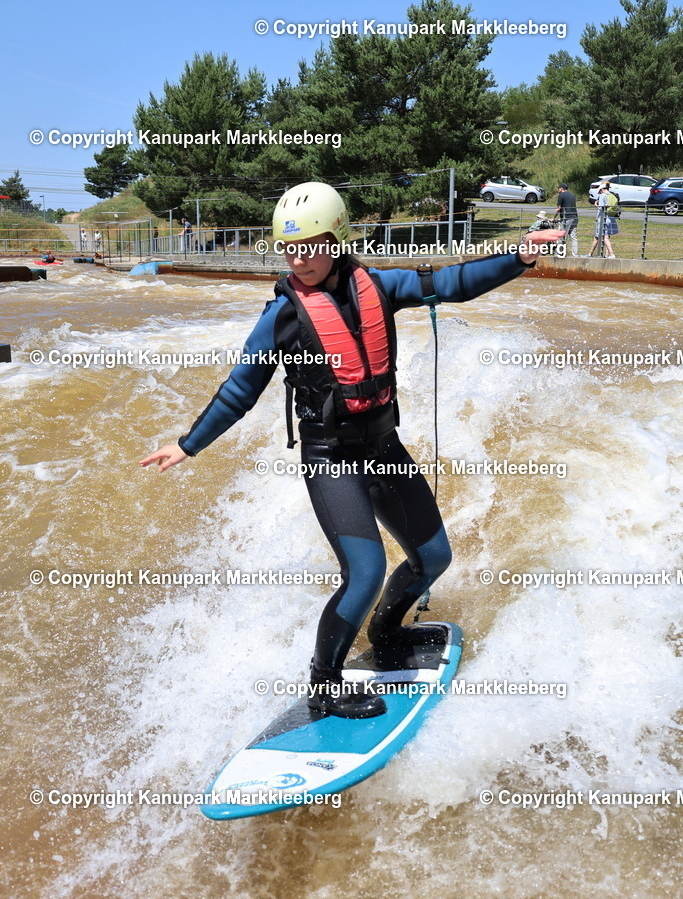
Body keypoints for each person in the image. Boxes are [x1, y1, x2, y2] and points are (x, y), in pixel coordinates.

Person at [140, 182, 564, 719]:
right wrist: (187, 445)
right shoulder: (282, 317)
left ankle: (385, 629)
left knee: (434, 558)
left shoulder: (379, 286)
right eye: (289, 249)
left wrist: (520, 256)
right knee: (364, 573)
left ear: (337, 239)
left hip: (384, 448)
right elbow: (239, 390)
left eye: (310, 246)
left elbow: (452, 282)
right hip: (331, 458)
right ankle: (324, 684)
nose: (298, 259)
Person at [588, 182, 618, 258]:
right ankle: (606, 255)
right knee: (606, 237)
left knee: (604, 237)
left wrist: (596, 205)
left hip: (603, 218)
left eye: (600, 191)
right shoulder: (612, 195)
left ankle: (612, 254)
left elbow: (601, 208)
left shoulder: (603, 196)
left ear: (601, 190)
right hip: (610, 218)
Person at [552, 183, 579, 256]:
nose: (558, 190)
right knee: (573, 236)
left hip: (566, 218)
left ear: (561, 188)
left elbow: (558, 208)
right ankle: (575, 254)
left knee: (561, 236)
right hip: (574, 217)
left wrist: (553, 218)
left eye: (558, 188)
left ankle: (559, 253)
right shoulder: (572, 195)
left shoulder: (561, 195)